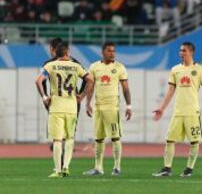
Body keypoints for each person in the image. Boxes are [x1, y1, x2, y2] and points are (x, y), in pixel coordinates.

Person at [152, 41, 202, 177]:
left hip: (192, 112)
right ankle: (167, 169)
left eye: (184, 51)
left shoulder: (200, 70)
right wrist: (162, 108)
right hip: (178, 112)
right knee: (169, 140)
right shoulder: (175, 69)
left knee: (194, 141)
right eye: (180, 51)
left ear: (191, 52)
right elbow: (170, 90)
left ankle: (189, 169)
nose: (181, 53)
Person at [35, 42, 93, 178]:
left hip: (56, 107)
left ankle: (57, 170)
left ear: (56, 52)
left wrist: (44, 97)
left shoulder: (50, 65)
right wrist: (82, 96)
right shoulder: (76, 66)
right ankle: (66, 167)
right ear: (68, 52)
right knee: (69, 138)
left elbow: (38, 81)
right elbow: (90, 79)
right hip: (72, 107)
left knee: (57, 140)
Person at [83, 41, 132, 176]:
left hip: (112, 108)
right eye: (109, 51)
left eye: (114, 51)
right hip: (98, 108)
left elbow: (126, 89)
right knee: (98, 139)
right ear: (103, 52)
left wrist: (129, 106)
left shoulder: (120, 67)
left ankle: (117, 167)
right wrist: (87, 104)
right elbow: (90, 87)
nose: (112, 53)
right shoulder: (94, 67)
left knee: (115, 138)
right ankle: (98, 168)